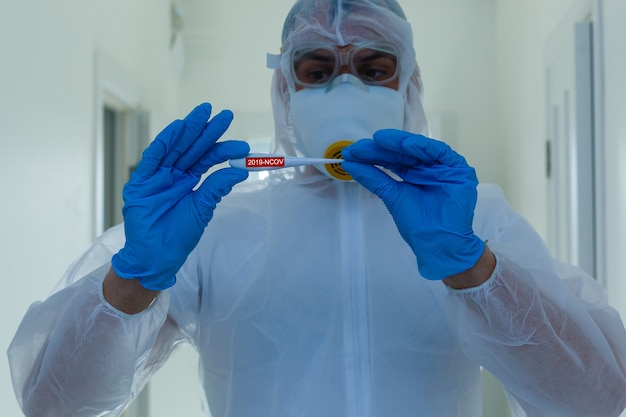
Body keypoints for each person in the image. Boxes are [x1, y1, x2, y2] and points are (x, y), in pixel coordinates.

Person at [8, 0, 626, 416]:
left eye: (373, 68)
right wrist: (133, 277)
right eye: (317, 68)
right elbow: (54, 402)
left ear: (409, 84)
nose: (345, 87)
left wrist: (474, 269)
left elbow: (596, 397)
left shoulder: (475, 219)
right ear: (284, 88)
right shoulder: (216, 225)